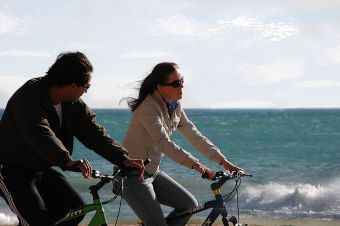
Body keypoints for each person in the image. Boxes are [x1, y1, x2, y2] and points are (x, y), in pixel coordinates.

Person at [0, 51, 145, 226]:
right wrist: (67, 161)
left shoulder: (72, 103)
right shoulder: (29, 96)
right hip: (9, 168)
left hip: (40, 168)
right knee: (37, 221)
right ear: (73, 85)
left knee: (74, 209)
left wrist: (123, 158)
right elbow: (39, 132)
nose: (86, 91)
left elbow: (93, 133)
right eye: (87, 86)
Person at [121, 62, 241, 226]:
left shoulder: (175, 106)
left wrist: (225, 162)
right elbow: (164, 143)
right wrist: (197, 165)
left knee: (188, 206)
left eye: (182, 81)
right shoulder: (148, 107)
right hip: (131, 175)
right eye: (176, 83)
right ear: (160, 86)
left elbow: (194, 136)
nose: (181, 87)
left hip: (151, 172)